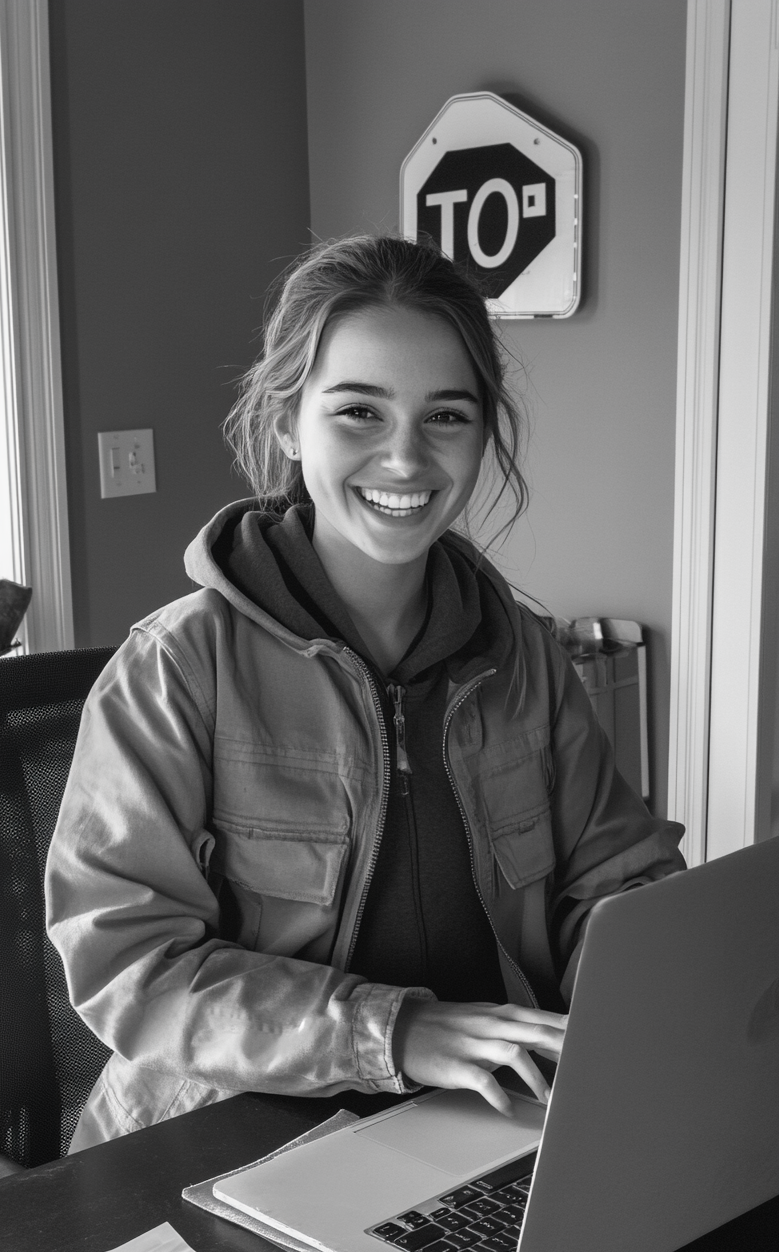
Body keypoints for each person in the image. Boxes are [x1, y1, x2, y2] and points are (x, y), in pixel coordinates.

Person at [46, 235, 685, 1151]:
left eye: (447, 417)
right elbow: (128, 964)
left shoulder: (524, 657)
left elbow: (615, 881)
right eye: (358, 412)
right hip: (223, 1141)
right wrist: (394, 1031)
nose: (405, 458)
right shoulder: (179, 666)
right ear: (284, 423)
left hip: (486, 1127)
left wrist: (647, 981)